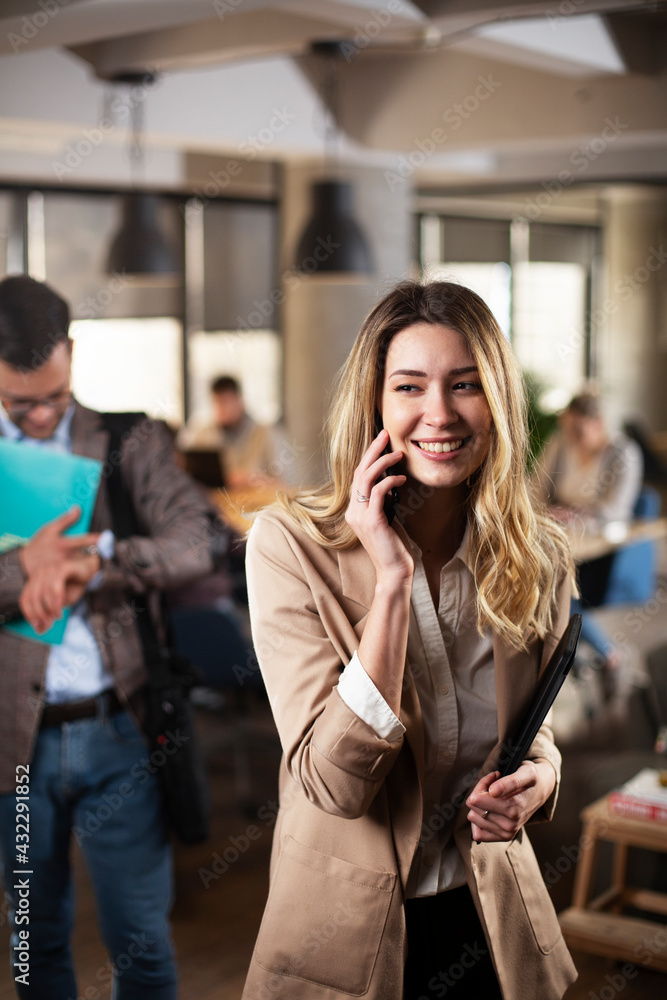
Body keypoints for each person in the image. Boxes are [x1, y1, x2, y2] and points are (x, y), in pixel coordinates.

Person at [242, 280, 578, 1000]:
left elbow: (533, 723)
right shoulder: (288, 548)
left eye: (465, 385)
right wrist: (391, 588)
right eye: (408, 386)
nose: (438, 413)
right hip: (344, 932)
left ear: (497, 401)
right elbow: (333, 784)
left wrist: (540, 780)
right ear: (374, 405)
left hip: (489, 917)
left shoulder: (537, 556)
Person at [0, 275, 228, 1000]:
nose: (39, 416)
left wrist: (100, 560)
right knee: (35, 945)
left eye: (54, 397)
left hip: (119, 730)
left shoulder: (131, 439)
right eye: (18, 401)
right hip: (14, 750)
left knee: (142, 942)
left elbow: (200, 539)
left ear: (72, 353)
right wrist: (19, 571)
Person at [534, 391, 644, 694]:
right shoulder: (563, 441)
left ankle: (604, 653)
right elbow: (536, 487)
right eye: (568, 428)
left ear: (598, 423)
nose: (572, 436)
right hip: (562, 535)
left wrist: (575, 516)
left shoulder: (623, 453)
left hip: (602, 549)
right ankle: (578, 654)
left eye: (579, 429)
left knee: (554, 586)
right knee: (541, 577)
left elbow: (614, 511)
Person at [178, 374, 295, 489]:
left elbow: (285, 482)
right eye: (217, 402)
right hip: (216, 504)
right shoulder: (202, 435)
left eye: (226, 401)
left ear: (239, 400)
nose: (222, 409)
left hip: (257, 504)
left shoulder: (267, 434)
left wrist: (250, 479)